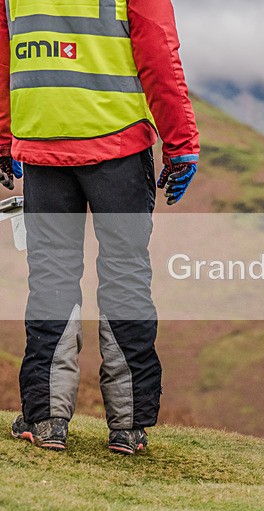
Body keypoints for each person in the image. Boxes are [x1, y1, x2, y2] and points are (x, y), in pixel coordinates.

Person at [0, 0, 200, 454]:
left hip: (42, 147)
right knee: (125, 279)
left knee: (51, 279)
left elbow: (4, 52)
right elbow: (158, 52)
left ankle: (46, 420)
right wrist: (181, 143)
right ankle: (128, 427)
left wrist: (5, 133)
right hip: (118, 147)